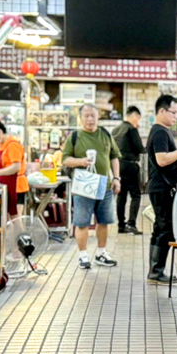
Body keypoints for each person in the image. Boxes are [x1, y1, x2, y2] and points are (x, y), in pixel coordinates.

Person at [62, 103, 121, 269]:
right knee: (82, 222)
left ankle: (101, 253)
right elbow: (65, 159)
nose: (90, 119)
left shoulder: (105, 134)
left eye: (92, 115)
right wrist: (81, 161)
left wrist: (116, 178)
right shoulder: (74, 137)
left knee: (104, 221)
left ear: (97, 117)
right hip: (83, 187)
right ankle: (83, 255)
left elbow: (114, 157)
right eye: (86, 115)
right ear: (81, 118)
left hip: (104, 185)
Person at [146, 94, 177, 283]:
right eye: (173, 112)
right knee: (165, 228)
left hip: (159, 187)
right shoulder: (159, 132)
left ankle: (155, 271)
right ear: (161, 111)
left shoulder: (161, 131)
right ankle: (156, 271)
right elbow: (162, 159)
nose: (176, 116)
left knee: (160, 228)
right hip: (161, 187)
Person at [112, 106, 145, 236]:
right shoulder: (132, 129)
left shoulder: (116, 130)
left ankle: (121, 226)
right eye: (138, 118)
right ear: (134, 116)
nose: (138, 122)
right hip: (130, 165)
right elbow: (139, 148)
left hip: (118, 165)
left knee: (121, 195)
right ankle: (131, 224)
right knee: (136, 195)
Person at [0, 120, 27, 218]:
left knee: (15, 218)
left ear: (0, 132)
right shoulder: (0, 146)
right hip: (6, 186)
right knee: (8, 217)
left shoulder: (13, 145)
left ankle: (20, 234)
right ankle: (13, 234)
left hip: (16, 186)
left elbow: (16, 167)